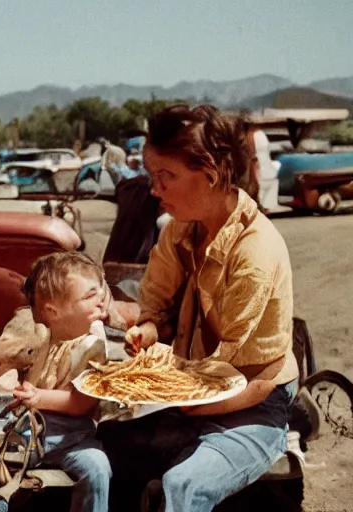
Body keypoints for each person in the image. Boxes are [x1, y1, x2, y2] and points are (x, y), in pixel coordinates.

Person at [125, 105, 295, 511]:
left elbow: (244, 374)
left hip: (255, 399)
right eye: (153, 176)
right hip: (198, 387)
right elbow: (158, 294)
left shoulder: (254, 252)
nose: (154, 189)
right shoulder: (184, 227)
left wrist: (173, 393)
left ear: (214, 173)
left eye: (167, 176)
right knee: (109, 453)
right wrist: (147, 327)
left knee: (183, 484)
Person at [0, 252, 113, 512]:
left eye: (100, 296)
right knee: (1, 443)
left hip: (72, 436)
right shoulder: (42, 335)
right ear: (53, 312)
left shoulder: (93, 344)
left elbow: (81, 402)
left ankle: (4, 496)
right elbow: (0, 364)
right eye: (90, 297)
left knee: (97, 466)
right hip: (32, 428)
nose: (101, 304)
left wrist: (38, 397)